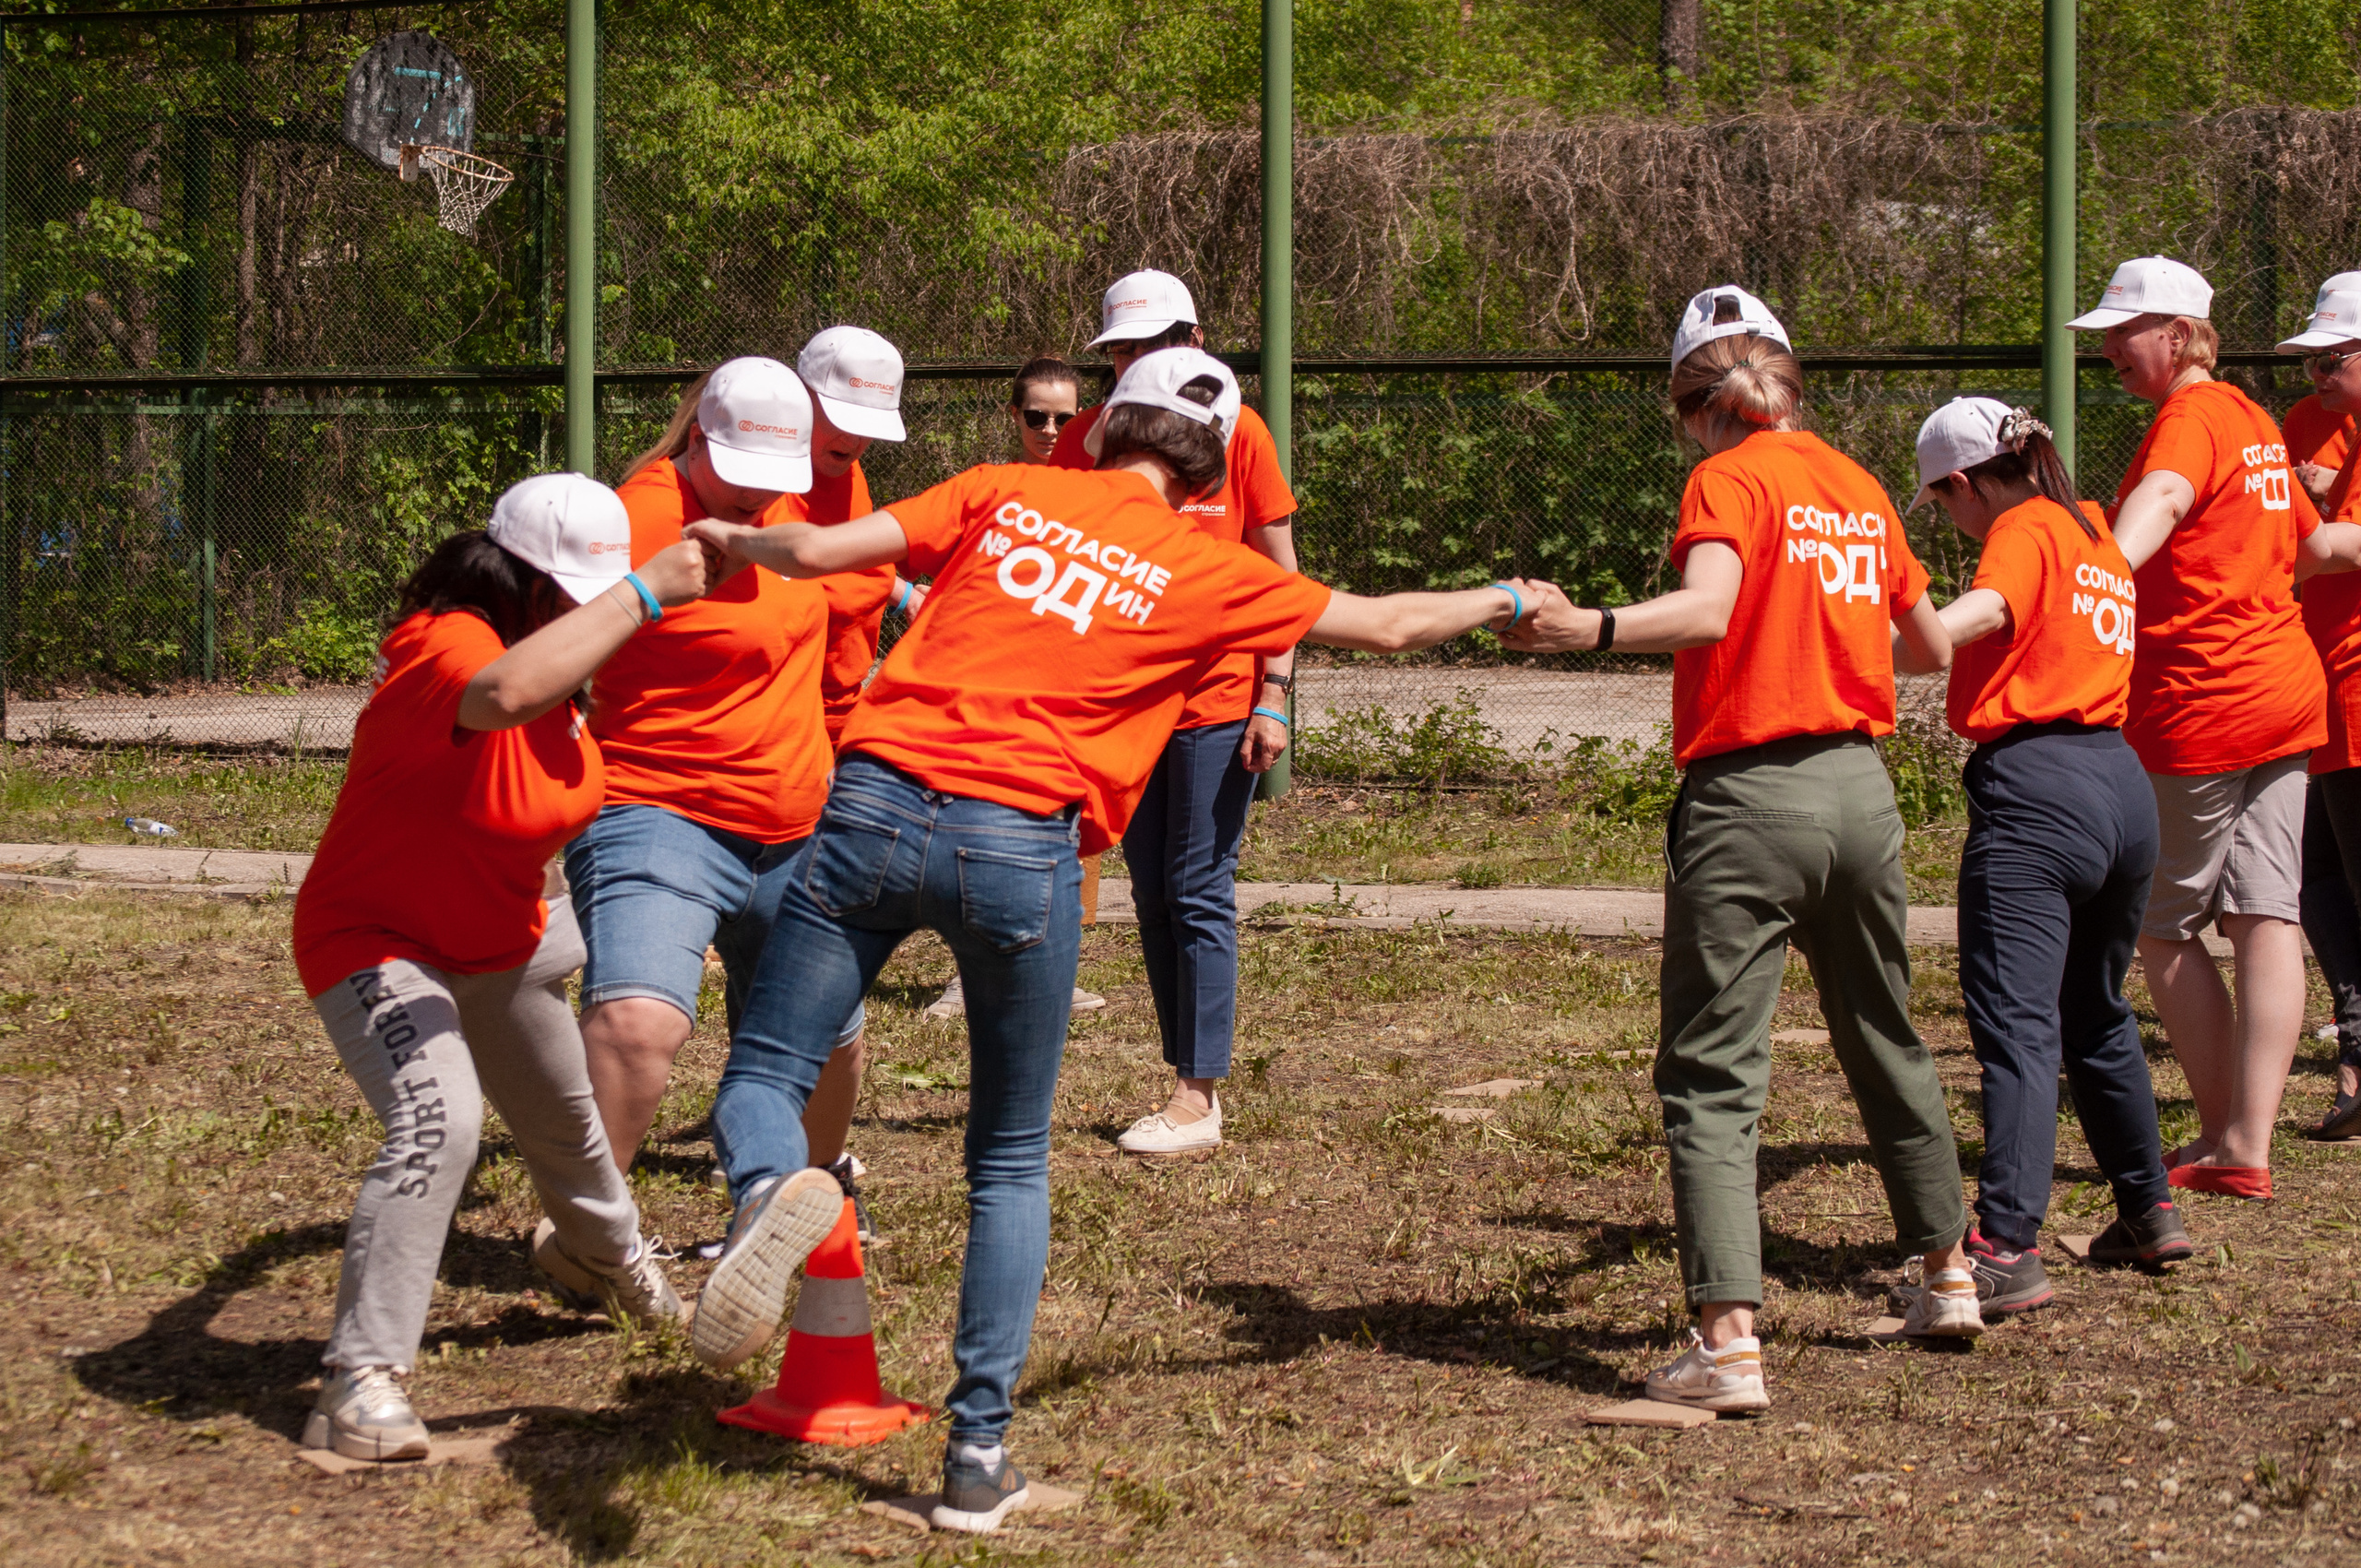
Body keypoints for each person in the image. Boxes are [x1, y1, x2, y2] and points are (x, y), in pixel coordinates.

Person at [679, 350, 1543, 1530]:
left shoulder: (1000, 488)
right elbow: (1387, 625)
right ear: (1205, 477)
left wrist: (735, 546)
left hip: (877, 799)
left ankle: (770, 1196)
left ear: (1093, 434)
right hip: (1020, 843)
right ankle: (976, 1454)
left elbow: (831, 549)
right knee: (1009, 1157)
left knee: (768, 1070)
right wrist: (1505, 596)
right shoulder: (1215, 563)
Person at [1503, 286, 1983, 1414]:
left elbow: (1709, 609)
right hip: (1862, 795)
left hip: (1747, 794)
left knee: (1714, 1071)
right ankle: (1947, 1272)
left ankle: (1726, 1341)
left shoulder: (1725, 478)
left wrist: (1591, 627)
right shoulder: (1860, 484)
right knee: (1886, 1036)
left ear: (1690, 407)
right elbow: (1921, 649)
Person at [290, 474, 708, 1460]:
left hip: (502, 946)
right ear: (510, 576)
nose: (583, 609)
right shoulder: (447, 647)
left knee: (570, 1135)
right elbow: (501, 693)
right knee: (443, 1120)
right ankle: (358, 1381)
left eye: (592, 591)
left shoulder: (564, 671)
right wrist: (644, 589)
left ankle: (612, 1267)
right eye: (567, 591)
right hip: (378, 942)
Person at [2071, 256, 2361, 1200]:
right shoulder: (2250, 418)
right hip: (2285, 693)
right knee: (2266, 913)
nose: (2111, 346)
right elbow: (2312, 547)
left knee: (2160, 927)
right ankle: (2246, 1137)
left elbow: (2159, 503)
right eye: (2107, 332)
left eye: (2128, 329)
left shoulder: (2189, 422)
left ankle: (2222, 1133)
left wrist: (2092, 575)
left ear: (2182, 333)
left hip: (2201, 704)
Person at [564, 359, 876, 1219]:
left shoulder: (797, 514)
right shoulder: (630, 519)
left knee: (833, 1035)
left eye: (775, 478)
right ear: (699, 438)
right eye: (738, 476)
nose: (755, 498)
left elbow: (846, 619)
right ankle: (589, 1231)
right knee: (638, 1024)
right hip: (659, 807)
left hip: (796, 819)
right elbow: (544, 654)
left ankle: (810, 1200)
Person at [1910, 397, 2190, 1312]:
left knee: (2017, 1023)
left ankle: (2004, 1243)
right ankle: (2149, 1210)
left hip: (2036, 788)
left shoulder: (2025, 526)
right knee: (2094, 1010)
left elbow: (1991, 607)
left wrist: (1898, 643)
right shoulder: (2094, 528)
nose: (1949, 519)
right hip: (2119, 782)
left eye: (1941, 501)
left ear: (1960, 481)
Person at [1051, 270, 1301, 1155]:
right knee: (1150, 892)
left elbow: (1279, 567)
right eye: (1119, 349)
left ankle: (1197, 1095)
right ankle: (1184, 1078)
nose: (1130, 362)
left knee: (1196, 888)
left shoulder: (1239, 430)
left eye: (1147, 345)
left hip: (1215, 699)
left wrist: (1275, 690)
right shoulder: (1084, 439)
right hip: (1118, 703)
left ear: (1191, 341)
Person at [927, 353, 1110, 1021]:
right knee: (981, 819)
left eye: (1067, 417)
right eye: (1037, 416)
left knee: (1077, 822)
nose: (1053, 429)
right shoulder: (995, 487)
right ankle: (966, 973)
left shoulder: (1106, 491)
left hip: (1076, 679)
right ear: (1015, 416)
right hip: (1000, 681)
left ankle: (1060, 965)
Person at [2281, 281, 2361, 1141]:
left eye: (2331, 357)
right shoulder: (2304, 423)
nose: (2316, 372)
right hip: (2316, 680)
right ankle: (2355, 1047)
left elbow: (2328, 545)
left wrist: (2301, 507)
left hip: (2354, 678)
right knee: (2317, 877)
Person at [2284, 271, 2361, 505]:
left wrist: (2338, 483)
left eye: (2331, 360)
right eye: (2312, 360)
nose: (2316, 373)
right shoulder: (2305, 414)